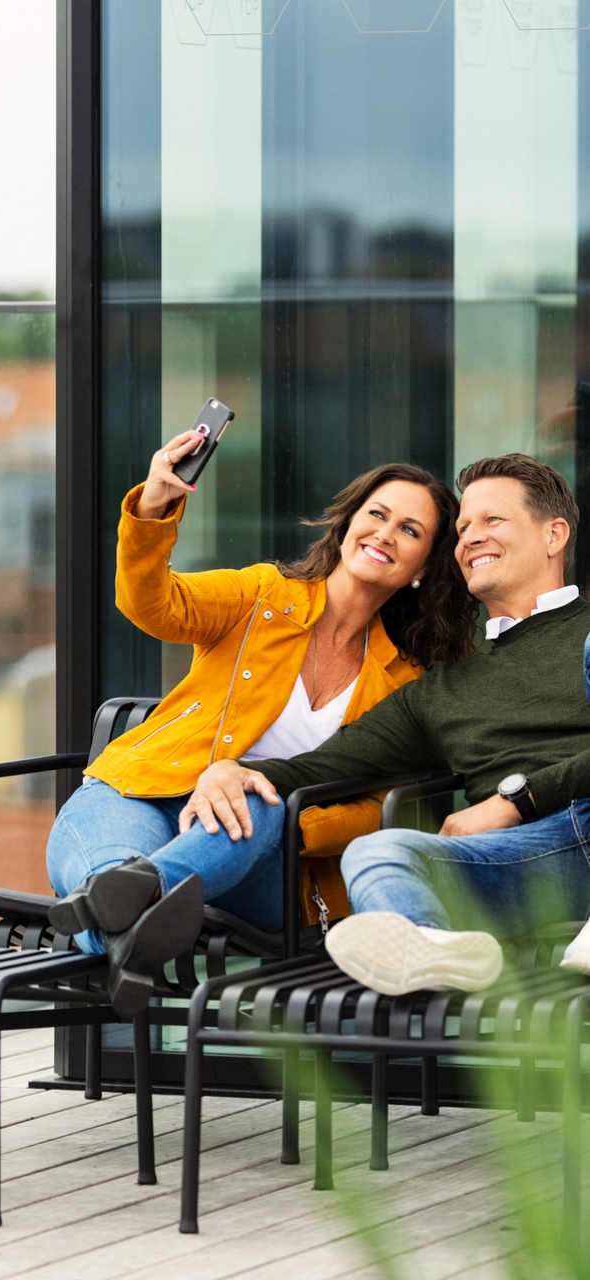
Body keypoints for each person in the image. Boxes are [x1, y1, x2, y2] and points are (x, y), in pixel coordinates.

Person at [46, 429, 477, 1014]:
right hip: (142, 794)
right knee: (114, 874)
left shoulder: (403, 680)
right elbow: (153, 604)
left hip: (263, 854)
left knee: (262, 797)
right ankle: (126, 926)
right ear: (347, 524)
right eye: (376, 514)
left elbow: (379, 807)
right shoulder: (261, 595)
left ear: (423, 567)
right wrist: (153, 506)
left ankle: (121, 903)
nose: (384, 533)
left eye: (410, 530)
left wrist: (294, 822)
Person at [188, 453, 590, 996]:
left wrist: (514, 800)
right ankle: (436, 955)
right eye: (463, 528)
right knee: (377, 851)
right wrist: (227, 771)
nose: (470, 537)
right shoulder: (442, 686)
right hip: (529, 864)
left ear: (554, 535)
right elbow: (325, 765)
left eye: (492, 521)